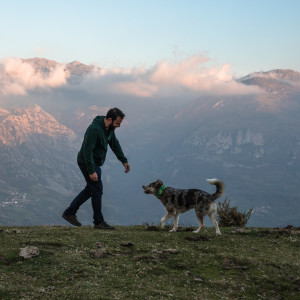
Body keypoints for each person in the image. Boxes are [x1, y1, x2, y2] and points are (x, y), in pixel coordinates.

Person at [62, 107, 130, 229]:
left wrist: (123, 161)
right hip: (87, 161)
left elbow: (115, 144)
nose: (118, 126)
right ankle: (98, 222)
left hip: (95, 162)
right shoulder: (94, 129)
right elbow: (87, 151)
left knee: (91, 189)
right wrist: (91, 170)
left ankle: (70, 212)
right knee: (97, 189)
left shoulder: (109, 129)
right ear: (109, 119)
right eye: (117, 123)